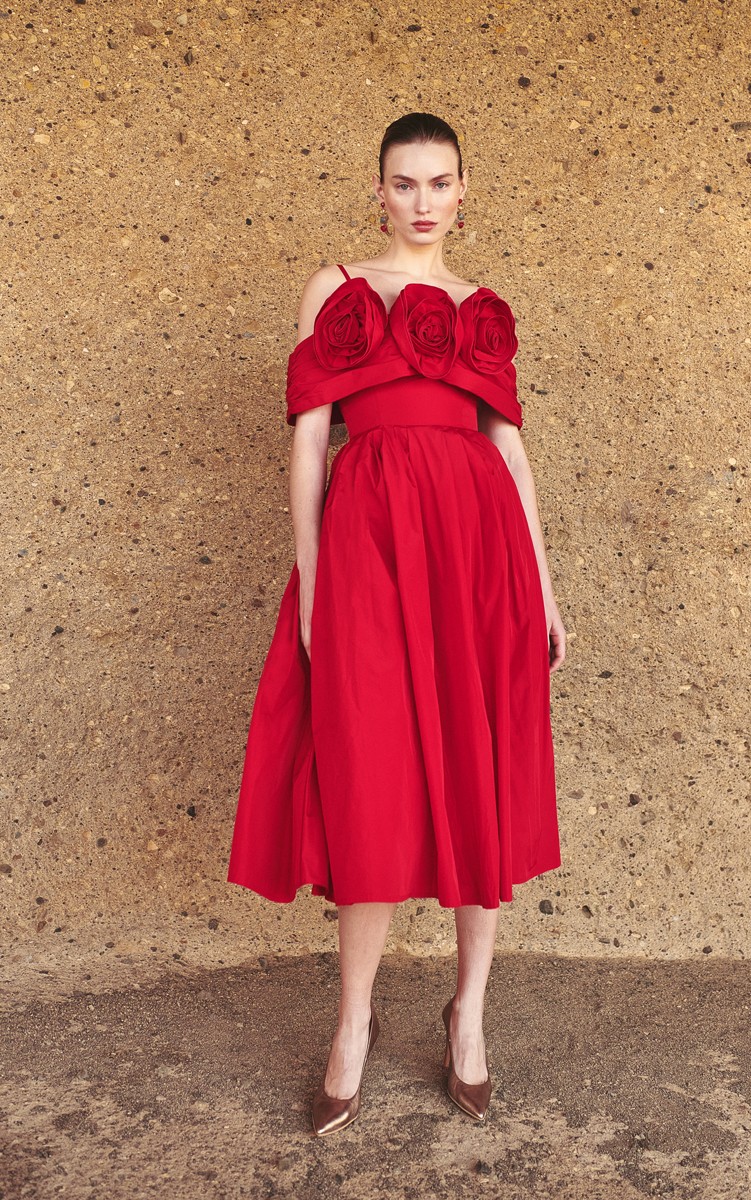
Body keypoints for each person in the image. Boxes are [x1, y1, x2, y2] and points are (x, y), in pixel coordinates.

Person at [227, 112, 566, 1136]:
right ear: (376, 191)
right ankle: (353, 1023)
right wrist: (314, 579)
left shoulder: (483, 309)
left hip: (476, 558)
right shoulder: (333, 289)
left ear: (465, 193)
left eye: (440, 182)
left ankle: (468, 1016)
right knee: (367, 781)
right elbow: (305, 451)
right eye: (403, 182)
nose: (422, 200)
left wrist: (545, 590)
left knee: (481, 772)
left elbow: (508, 454)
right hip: (367, 553)